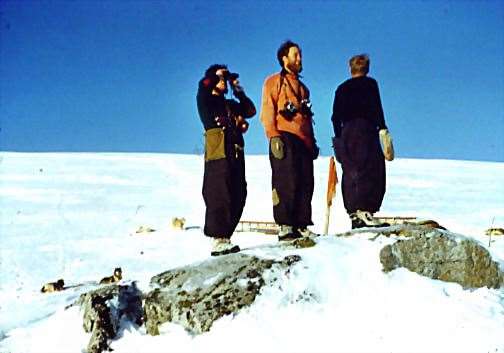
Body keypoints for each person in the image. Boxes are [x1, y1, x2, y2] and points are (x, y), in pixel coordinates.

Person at [260, 40, 319, 241]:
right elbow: (268, 109)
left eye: (300, 54)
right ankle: (285, 224)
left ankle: (302, 223)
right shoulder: (273, 81)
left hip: (303, 140)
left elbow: (308, 117)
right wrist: (273, 135)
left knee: (305, 183)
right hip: (284, 136)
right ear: (284, 58)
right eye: (296, 54)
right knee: (286, 181)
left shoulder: (303, 88)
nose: (300, 58)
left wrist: (312, 142)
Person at [197, 64, 256, 255]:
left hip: (236, 151)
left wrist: (237, 87)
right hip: (218, 152)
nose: (224, 81)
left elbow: (250, 110)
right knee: (218, 192)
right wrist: (217, 76)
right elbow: (203, 85)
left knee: (239, 192)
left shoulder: (229, 104)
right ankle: (218, 237)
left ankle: (226, 235)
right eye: (220, 78)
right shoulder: (206, 100)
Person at [331, 54, 391, 229]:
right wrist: (382, 127)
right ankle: (364, 210)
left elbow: (335, 117)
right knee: (370, 168)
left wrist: (340, 137)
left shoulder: (341, 89)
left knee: (351, 169)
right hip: (366, 130)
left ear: (351, 68)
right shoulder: (370, 85)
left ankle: (355, 212)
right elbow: (377, 109)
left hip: (348, 132)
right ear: (367, 68)